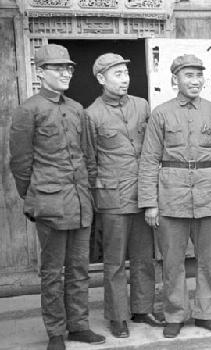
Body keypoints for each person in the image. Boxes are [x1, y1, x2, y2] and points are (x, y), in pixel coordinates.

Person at [9, 44, 105, 350]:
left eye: (69, 69)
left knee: (79, 269)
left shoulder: (77, 108)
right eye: (58, 69)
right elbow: (20, 162)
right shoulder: (29, 110)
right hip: (50, 203)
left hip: (80, 203)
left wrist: (88, 195)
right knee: (52, 272)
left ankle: (78, 326)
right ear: (40, 73)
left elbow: (88, 157)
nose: (65, 74)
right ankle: (55, 332)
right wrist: (34, 197)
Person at [138, 54, 211, 338]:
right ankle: (175, 314)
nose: (195, 81)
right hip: (171, 199)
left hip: (209, 196)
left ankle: (207, 313)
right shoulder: (161, 113)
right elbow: (148, 159)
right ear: (175, 80)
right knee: (172, 262)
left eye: (198, 76)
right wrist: (149, 202)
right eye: (188, 76)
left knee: (209, 260)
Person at [86, 53, 165, 338]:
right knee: (115, 261)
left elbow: (153, 147)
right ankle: (117, 315)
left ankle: (142, 308)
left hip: (142, 194)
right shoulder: (92, 114)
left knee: (144, 256)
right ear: (101, 79)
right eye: (117, 74)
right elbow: (89, 159)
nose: (125, 79)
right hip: (112, 198)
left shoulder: (142, 106)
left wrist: (153, 192)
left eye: (126, 73)